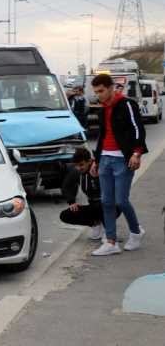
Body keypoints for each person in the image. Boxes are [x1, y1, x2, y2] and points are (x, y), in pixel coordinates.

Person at [90, 74, 148, 256]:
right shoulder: (102, 109)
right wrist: (96, 160)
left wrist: (137, 153)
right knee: (106, 201)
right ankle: (111, 242)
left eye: (101, 91)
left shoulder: (127, 104)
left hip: (123, 159)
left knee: (120, 200)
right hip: (105, 159)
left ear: (111, 88)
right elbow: (102, 136)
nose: (98, 95)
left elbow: (138, 128)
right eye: (96, 92)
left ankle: (136, 232)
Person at [60, 148, 120, 240]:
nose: (79, 168)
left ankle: (108, 230)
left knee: (102, 205)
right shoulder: (77, 172)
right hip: (94, 206)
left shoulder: (99, 168)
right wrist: (71, 201)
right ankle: (95, 225)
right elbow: (66, 186)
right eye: (76, 165)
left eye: (81, 165)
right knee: (65, 215)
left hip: (112, 205)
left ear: (89, 161)